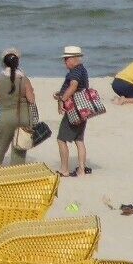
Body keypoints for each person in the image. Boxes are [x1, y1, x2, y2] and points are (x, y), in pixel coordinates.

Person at [0, 52, 36, 168]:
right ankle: (15, 174)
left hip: (5, 116)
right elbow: (31, 99)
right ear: (18, 63)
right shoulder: (24, 79)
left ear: (4, 64)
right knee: (19, 148)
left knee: (1, 147)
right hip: (23, 116)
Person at [55, 46, 90, 178]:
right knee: (79, 140)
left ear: (74, 59)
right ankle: (81, 168)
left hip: (74, 109)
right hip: (83, 109)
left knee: (61, 139)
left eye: (66, 59)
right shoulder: (82, 70)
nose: (65, 62)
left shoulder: (75, 71)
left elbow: (73, 86)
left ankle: (64, 169)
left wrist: (63, 99)